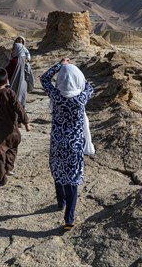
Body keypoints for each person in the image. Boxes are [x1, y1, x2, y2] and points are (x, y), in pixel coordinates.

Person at [40, 58, 93, 232]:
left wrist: (59, 66)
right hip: (74, 145)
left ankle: (60, 201)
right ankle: (69, 218)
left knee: (58, 171)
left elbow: (44, 79)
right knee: (72, 181)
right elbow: (89, 86)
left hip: (57, 142)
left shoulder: (56, 95)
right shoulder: (81, 99)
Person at [0, 68, 30, 186]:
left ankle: (2, 177)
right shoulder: (10, 93)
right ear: (7, 81)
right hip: (11, 128)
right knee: (13, 146)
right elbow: (19, 108)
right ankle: (9, 167)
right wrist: (26, 122)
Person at [5, 42, 28, 121]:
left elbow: (7, 72)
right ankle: (21, 120)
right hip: (23, 84)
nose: (12, 50)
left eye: (13, 49)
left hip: (15, 83)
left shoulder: (15, 61)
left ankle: (14, 120)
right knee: (21, 101)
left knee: (13, 102)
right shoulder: (24, 59)